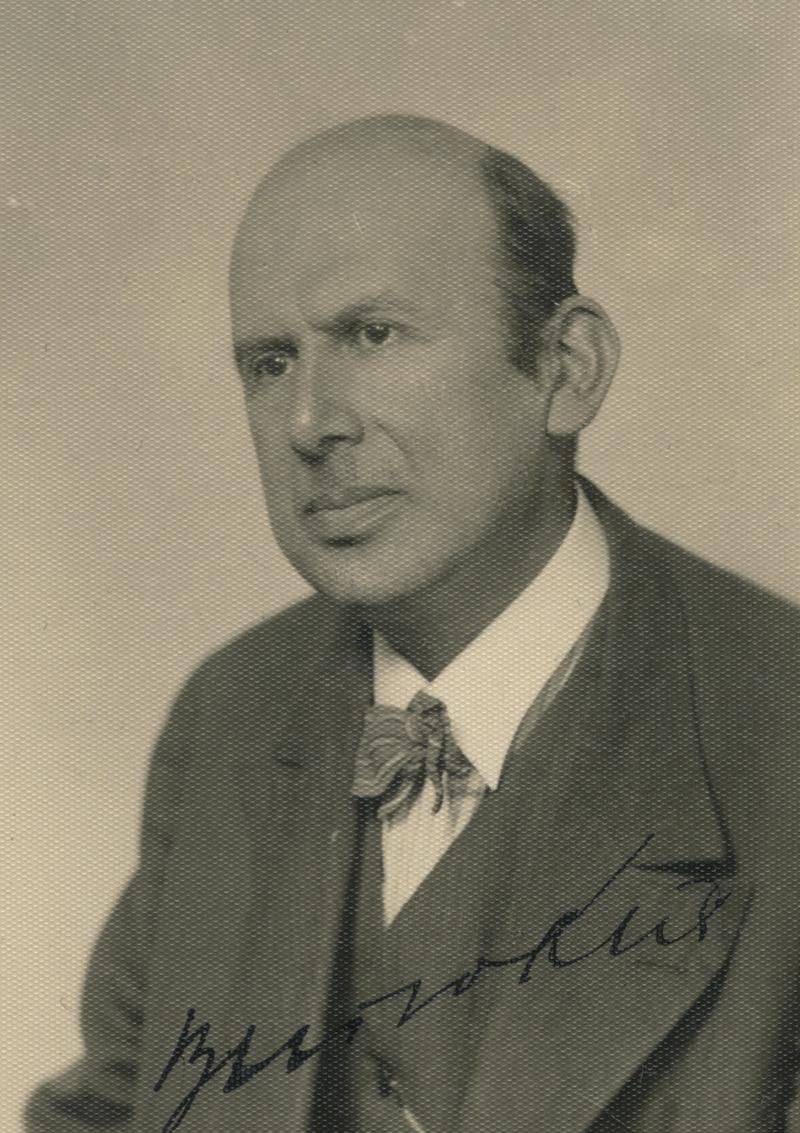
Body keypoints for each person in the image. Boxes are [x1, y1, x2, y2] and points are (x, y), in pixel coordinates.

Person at [26, 114, 800, 1133]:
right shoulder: (229, 712)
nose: (311, 423)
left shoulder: (779, 726)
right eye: (269, 362)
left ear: (566, 368)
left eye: (372, 335)